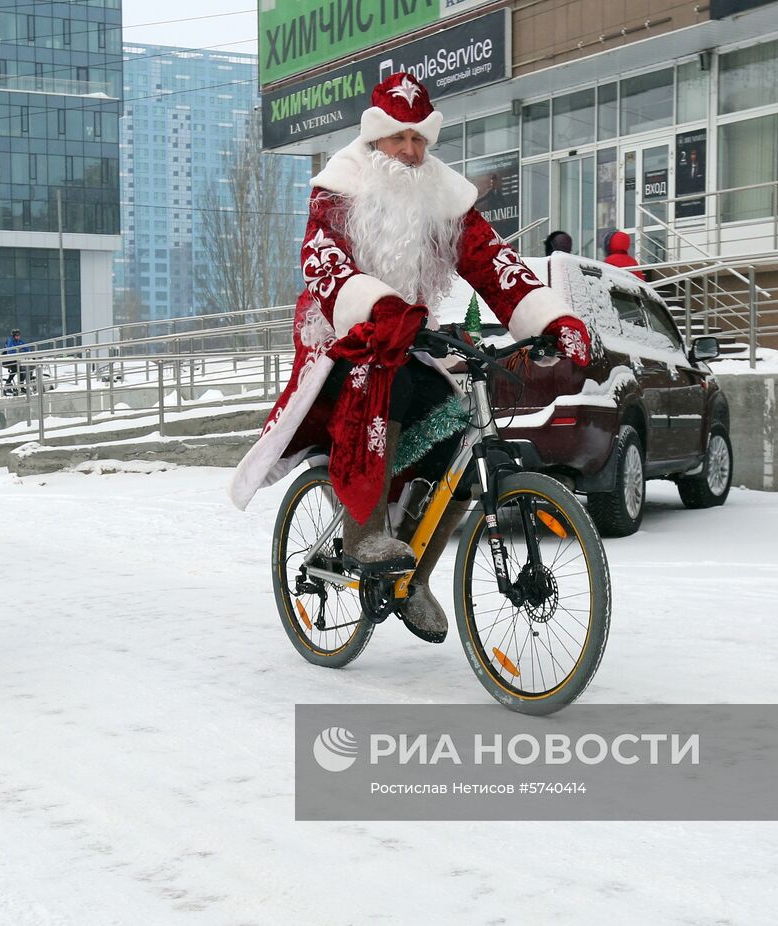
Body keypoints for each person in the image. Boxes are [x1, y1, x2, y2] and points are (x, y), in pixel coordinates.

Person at [229, 72, 590, 644]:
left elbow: (491, 261)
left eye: (420, 139)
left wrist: (551, 319)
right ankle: (363, 533)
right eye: (399, 138)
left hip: (411, 336)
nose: (411, 151)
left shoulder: (443, 197)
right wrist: (375, 307)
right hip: (343, 339)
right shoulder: (339, 189)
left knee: (455, 422)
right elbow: (322, 262)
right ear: (375, 141)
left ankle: (413, 578)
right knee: (381, 385)